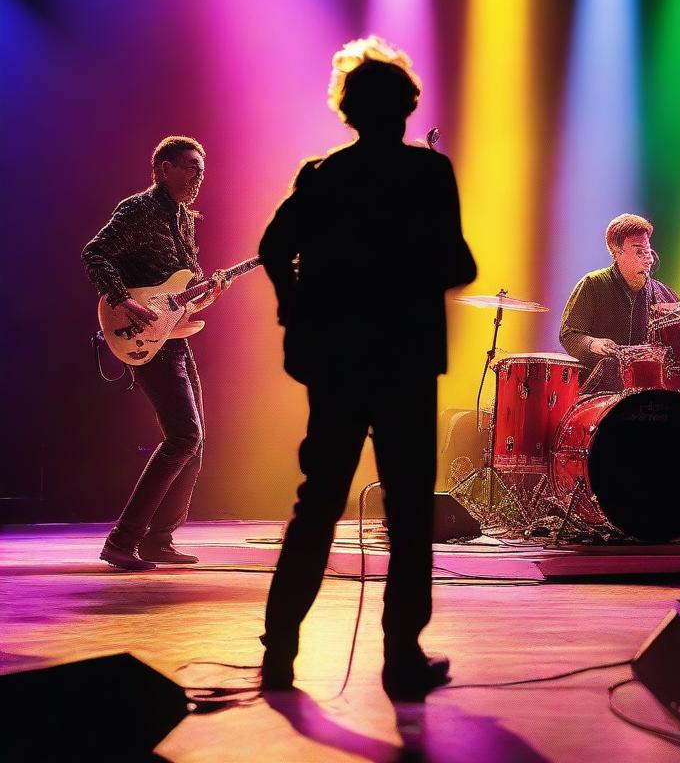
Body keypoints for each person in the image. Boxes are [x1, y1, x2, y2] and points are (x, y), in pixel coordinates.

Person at [258, 36, 476, 701]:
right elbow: (460, 266)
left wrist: (293, 308)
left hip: (337, 361)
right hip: (406, 359)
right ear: (408, 108)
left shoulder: (322, 175)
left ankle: (280, 655)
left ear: (347, 111)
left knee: (317, 501)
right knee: (408, 513)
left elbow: (272, 248)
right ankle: (401, 659)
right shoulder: (429, 173)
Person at [82, 136, 228, 571]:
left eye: (201, 170)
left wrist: (205, 293)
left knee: (194, 439)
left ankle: (159, 540)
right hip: (142, 334)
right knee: (184, 436)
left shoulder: (185, 219)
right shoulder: (139, 209)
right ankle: (123, 541)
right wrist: (122, 298)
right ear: (163, 168)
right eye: (189, 167)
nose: (197, 176)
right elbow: (96, 253)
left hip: (172, 335)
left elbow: (184, 287)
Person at [559, 214, 679, 394]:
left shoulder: (665, 294)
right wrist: (593, 344)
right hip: (600, 392)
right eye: (639, 251)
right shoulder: (593, 284)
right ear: (616, 251)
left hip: (652, 394)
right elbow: (569, 335)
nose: (649, 260)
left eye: (649, 252)